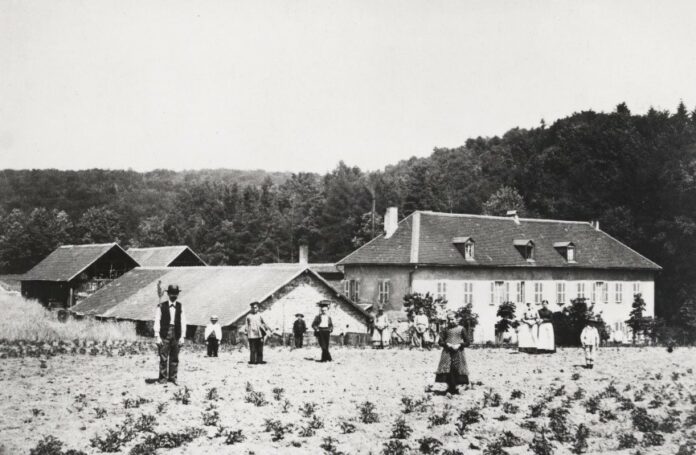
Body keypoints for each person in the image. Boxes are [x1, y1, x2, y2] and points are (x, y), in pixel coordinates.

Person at [154, 284, 186, 385]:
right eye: (171, 293)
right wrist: (157, 336)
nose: (173, 295)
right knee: (163, 357)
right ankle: (162, 379)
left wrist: (182, 337)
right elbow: (157, 321)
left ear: (178, 294)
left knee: (175, 357)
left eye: (175, 293)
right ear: (168, 294)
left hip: (176, 333)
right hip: (164, 333)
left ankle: (173, 378)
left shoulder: (180, 306)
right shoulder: (161, 306)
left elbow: (183, 321)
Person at [435, 312, 470, 395]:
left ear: (457, 319)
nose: (451, 321)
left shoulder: (461, 329)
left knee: (457, 368)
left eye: (452, 319)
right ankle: (450, 388)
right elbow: (440, 341)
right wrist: (447, 344)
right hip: (447, 352)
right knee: (448, 369)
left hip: (458, 352)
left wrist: (459, 345)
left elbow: (468, 342)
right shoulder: (445, 329)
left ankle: (457, 387)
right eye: (449, 320)